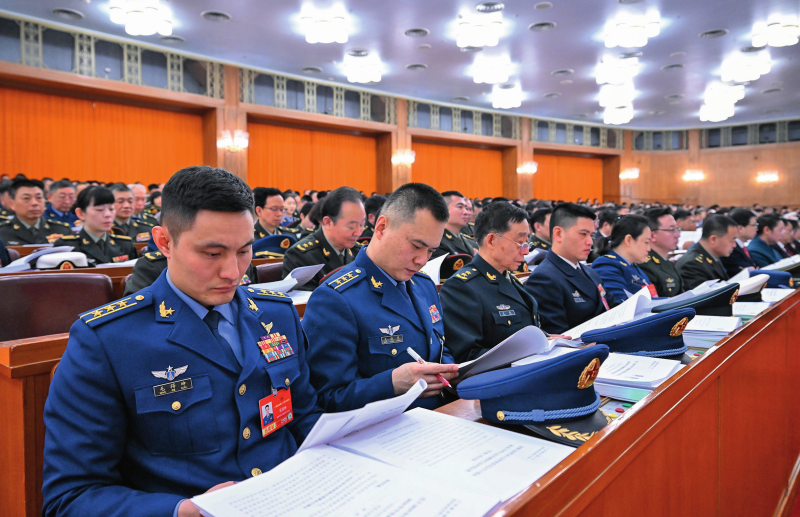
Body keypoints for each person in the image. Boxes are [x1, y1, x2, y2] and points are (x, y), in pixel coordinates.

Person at [42, 166, 323, 517]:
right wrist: (183, 510)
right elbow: (71, 497)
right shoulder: (108, 340)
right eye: (212, 253)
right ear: (164, 242)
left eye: (243, 250)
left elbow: (304, 416)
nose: (233, 272)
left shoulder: (277, 315)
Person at [302, 183, 458, 413]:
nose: (422, 260)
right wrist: (391, 384)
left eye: (431, 251)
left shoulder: (424, 285)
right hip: (384, 425)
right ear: (382, 227)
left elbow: (440, 350)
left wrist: (452, 371)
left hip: (441, 416)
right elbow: (326, 398)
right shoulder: (336, 299)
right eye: (416, 246)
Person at [439, 201, 541, 363]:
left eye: (527, 242)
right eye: (520, 243)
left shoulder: (508, 277)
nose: (526, 251)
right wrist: (528, 352)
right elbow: (466, 357)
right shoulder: (461, 287)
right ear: (491, 240)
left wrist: (546, 340)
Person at [524, 203, 609, 335]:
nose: (590, 242)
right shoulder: (544, 279)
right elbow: (558, 336)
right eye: (583, 234)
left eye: (591, 235)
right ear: (558, 234)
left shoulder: (590, 272)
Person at [281, 186, 365, 291]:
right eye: (351, 227)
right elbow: (306, 300)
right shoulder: (300, 256)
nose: (358, 232)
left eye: (362, 225)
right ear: (328, 222)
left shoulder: (360, 252)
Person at [53, 186, 139, 264]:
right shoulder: (67, 247)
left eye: (111, 209)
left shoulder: (125, 245)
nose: (108, 214)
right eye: (99, 210)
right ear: (81, 213)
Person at [590, 215, 653, 307]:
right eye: (646, 242)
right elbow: (621, 306)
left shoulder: (632, 265)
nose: (649, 248)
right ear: (628, 240)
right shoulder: (606, 266)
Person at [0, 178, 73, 245]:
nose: (35, 203)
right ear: (12, 204)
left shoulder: (62, 230)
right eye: (26, 198)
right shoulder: (2, 232)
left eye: (39, 198)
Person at [676, 215, 737, 290]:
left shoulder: (711, 255)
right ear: (713, 239)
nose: (734, 245)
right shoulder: (691, 265)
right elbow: (703, 296)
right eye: (732, 240)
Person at [640, 207, 684, 297]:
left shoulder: (665, 260)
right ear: (652, 235)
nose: (678, 235)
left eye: (677, 229)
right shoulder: (645, 265)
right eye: (672, 229)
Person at [433, 190, 477, 258]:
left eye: (466, 208)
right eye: (460, 207)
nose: (466, 212)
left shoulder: (470, 241)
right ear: (443, 209)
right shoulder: (436, 242)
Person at [721, 208, 759, 277]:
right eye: (754, 225)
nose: (756, 229)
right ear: (740, 228)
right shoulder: (731, 249)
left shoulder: (742, 247)